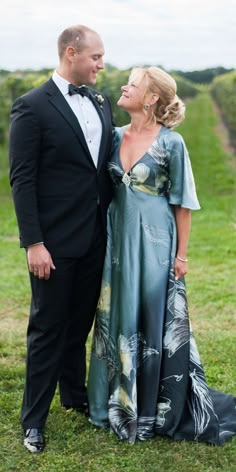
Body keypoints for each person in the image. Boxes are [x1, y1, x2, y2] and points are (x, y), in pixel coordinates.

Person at [87, 66, 236, 444]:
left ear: (151, 97)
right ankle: (116, 403)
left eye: (133, 83)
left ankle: (153, 406)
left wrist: (181, 256)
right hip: (117, 242)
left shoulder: (172, 143)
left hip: (156, 243)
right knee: (116, 315)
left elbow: (182, 204)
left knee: (154, 321)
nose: (124, 86)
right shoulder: (113, 136)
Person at [9, 24, 113, 452]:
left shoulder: (102, 103)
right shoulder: (31, 107)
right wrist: (34, 243)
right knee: (47, 329)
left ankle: (73, 397)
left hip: (94, 239)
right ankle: (33, 420)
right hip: (52, 244)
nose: (101, 65)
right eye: (96, 57)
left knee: (79, 325)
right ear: (72, 53)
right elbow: (22, 180)